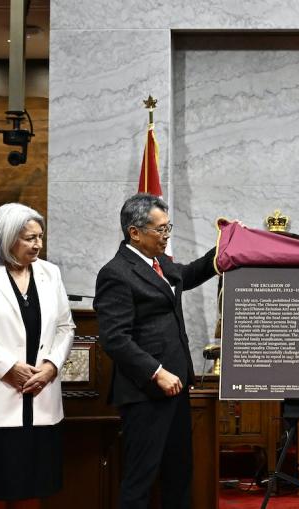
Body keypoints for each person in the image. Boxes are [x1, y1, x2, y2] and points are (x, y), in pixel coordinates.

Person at [94, 193, 219, 509]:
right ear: (135, 232)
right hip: (146, 392)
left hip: (176, 387)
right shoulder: (116, 273)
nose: (166, 236)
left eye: (168, 228)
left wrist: (225, 248)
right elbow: (115, 339)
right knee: (141, 478)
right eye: (160, 230)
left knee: (179, 473)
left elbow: (188, 274)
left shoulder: (160, 263)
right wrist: (156, 372)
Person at [0, 203, 75, 509]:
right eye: (30, 238)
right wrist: (8, 368)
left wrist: (51, 367)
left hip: (40, 397)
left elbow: (65, 326)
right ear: (7, 238)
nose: (38, 244)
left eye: (40, 237)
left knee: (33, 489)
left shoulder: (51, 273)